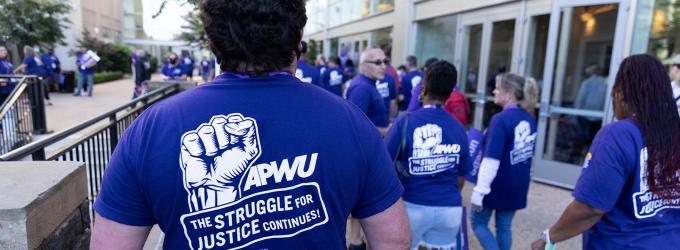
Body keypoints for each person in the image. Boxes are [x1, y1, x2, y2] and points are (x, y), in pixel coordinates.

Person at [90, 1, 410, 249]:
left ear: (210, 39)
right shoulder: (351, 123)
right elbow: (393, 240)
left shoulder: (152, 129)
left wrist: (215, 206)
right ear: (298, 37)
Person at [533, 54, 680, 249]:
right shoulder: (674, 132)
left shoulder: (618, 135)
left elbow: (590, 208)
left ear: (621, 93)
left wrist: (549, 237)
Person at [385, 60, 472, 250]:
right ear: (450, 93)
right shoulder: (458, 128)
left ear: (423, 88)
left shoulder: (406, 121)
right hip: (449, 208)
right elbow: (461, 178)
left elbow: (383, 162)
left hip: (413, 204)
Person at [469, 73, 539, 250]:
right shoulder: (529, 118)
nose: (494, 91)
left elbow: (491, 161)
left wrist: (479, 192)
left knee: (478, 222)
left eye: (498, 88)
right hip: (518, 183)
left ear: (510, 94)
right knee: (504, 227)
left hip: (497, 184)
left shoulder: (500, 120)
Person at [344, 48, 394, 250]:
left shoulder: (370, 85)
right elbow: (354, 125)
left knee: (361, 211)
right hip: (363, 157)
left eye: (385, 61)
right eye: (378, 62)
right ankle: (356, 244)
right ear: (363, 65)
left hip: (370, 154)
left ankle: (357, 242)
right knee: (361, 207)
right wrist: (386, 130)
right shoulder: (361, 88)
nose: (384, 66)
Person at [574, 64, 607, 141]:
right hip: (599, 115)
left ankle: (584, 150)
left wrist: (576, 111)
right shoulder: (605, 83)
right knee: (595, 137)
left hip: (585, 114)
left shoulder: (586, 83)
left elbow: (580, 98)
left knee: (583, 136)